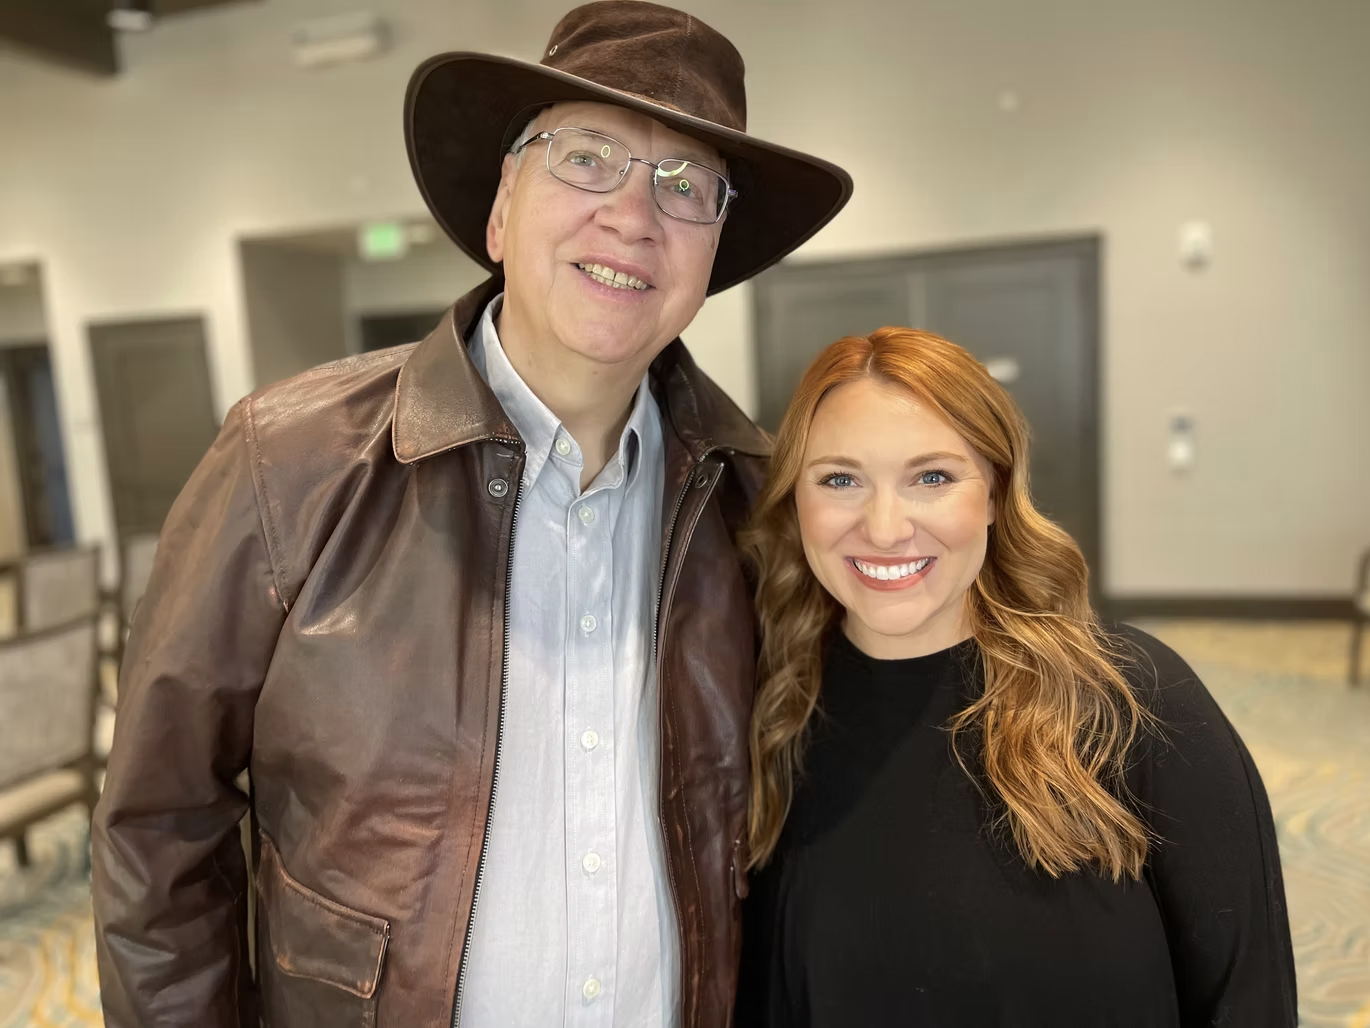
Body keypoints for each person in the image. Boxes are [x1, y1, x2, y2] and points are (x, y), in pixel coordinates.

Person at [90, 4, 852, 1026]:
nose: (633, 216)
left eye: (685, 187)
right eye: (585, 158)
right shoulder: (290, 462)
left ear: (710, 255)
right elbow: (158, 829)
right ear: (501, 208)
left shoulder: (752, 502)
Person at [734, 327, 1298, 1027]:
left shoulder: (1132, 698)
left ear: (996, 493)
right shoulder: (770, 716)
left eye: (931, 477)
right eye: (840, 479)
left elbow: (1249, 998)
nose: (884, 529)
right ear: (796, 500)